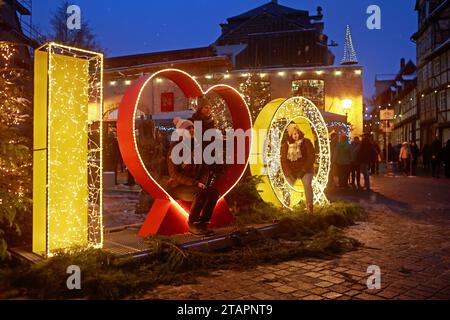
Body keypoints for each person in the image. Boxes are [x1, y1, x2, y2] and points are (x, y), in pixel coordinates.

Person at [167, 118, 219, 235]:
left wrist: (202, 182)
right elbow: (174, 174)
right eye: (187, 128)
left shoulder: (197, 146)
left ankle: (204, 223)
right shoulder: (176, 149)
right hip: (178, 187)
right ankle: (193, 224)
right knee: (200, 193)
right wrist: (195, 183)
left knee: (213, 192)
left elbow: (205, 168)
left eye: (192, 127)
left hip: (195, 185)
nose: (191, 130)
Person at [280, 123, 316, 213]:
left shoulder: (306, 142)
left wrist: (303, 170)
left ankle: (309, 206)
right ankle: (286, 206)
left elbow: (311, 157)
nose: (296, 135)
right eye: (294, 134)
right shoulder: (286, 145)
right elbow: (284, 160)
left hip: (305, 169)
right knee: (286, 185)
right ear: (290, 135)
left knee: (307, 184)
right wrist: (288, 172)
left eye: (297, 133)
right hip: (292, 170)